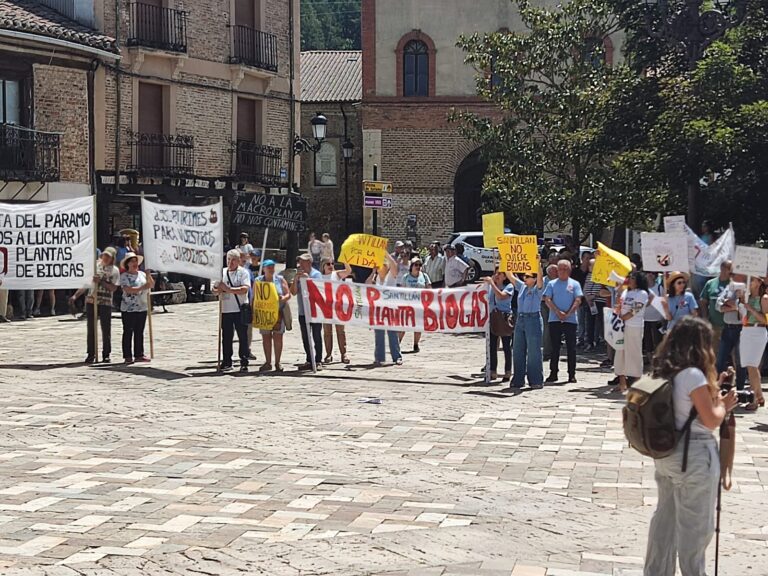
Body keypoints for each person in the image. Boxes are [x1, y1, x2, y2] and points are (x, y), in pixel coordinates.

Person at [644, 316, 738, 576]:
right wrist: (724, 406)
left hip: (666, 453)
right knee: (695, 530)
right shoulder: (693, 374)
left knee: (664, 521)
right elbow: (710, 420)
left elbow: (685, 408)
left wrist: (714, 390)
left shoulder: (663, 370)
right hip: (693, 456)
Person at [69, 247, 120, 364]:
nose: (105, 258)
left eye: (108, 256)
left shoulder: (114, 270)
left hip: (105, 301)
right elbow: (86, 284)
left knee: (105, 329)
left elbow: (113, 287)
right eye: (104, 255)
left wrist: (101, 281)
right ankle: (90, 353)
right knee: (91, 329)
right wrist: (75, 296)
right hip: (92, 300)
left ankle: (106, 354)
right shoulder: (95, 266)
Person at [543, 260, 583, 384]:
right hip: (555, 319)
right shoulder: (552, 284)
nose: (563, 271)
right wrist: (558, 312)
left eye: (565, 269)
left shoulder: (575, 284)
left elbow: (578, 299)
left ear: (569, 270)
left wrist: (568, 313)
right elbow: (547, 299)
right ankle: (553, 373)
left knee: (571, 348)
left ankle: (572, 374)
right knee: (555, 347)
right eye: (560, 269)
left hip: (570, 320)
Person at [507, 263, 545, 389]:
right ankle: (518, 379)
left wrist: (538, 265)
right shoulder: (522, 286)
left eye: (528, 276)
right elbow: (510, 276)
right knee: (518, 350)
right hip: (521, 318)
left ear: (534, 279)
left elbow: (540, 278)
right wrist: (505, 262)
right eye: (525, 276)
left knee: (533, 352)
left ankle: (535, 380)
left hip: (533, 319)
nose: (525, 278)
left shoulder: (537, 289)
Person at [214, 249, 251, 373]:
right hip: (226, 309)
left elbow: (244, 289)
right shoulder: (221, 272)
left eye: (233, 260)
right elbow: (214, 289)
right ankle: (227, 361)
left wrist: (228, 289)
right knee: (227, 337)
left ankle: (244, 361)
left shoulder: (243, 273)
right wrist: (217, 289)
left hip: (239, 309)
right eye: (228, 259)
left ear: (238, 260)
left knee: (242, 337)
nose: (230, 262)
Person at [613, 271, 649, 392]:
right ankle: (622, 383)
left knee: (634, 353)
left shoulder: (642, 293)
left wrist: (624, 317)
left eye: (633, 277)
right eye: (629, 277)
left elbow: (636, 309)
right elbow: (619, 303)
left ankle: (638, 382)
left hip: (634, 326)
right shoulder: (626, 291)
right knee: (620, 353)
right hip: (621, 326)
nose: (630, 279)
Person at [119, 252, 155, 364]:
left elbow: (151, 285)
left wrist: (148, 275)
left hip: (142, 306)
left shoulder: (142, 274)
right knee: (128, 331)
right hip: (128, 308)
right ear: (127, 264)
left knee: (139, 331)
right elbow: (128, 289)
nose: (134, 263)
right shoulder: (124, 276)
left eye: (135, 261)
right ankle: (127, 355)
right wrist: (143, 287)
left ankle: (139, 354)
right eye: (132, 261)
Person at [256, 260, 291, 373]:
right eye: (268, 267)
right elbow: (255, 297)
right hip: (264, 312)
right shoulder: (258, 281)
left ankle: (277, 362)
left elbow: (288, 294)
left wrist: (283, 298)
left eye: (272, 267)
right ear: (264, 269)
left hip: (278, 312)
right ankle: (267, 362)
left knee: (277, 337)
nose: (271, 269)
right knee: (266, 337)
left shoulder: (280, 280)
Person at [368, 253, 402, 366]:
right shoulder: (376, 278)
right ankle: (379, 357)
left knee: (392, 333)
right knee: (379, 334)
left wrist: (385, 253)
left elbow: (395, 266)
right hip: (378, 310)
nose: (379, 267)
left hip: (390, 309)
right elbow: (365, 285)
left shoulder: (391, 276)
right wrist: (373, 272)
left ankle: (397, 357)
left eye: (382, 265)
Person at [715, 273, 748, 391]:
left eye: (735, 274)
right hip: (727, 327)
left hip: (741, 329)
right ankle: (720, 386)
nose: (732, 276)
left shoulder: (747, 289)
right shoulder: (729, 288)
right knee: (720, 360)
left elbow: (745, 309)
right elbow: (718, 306)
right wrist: (734, 307)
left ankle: (740, 388)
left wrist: (732, 305)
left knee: (740, 361)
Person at [740, 276, 768, 411]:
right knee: (751, 366)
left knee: (752, 366)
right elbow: (742, 318)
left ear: (759, 282)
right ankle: (759, 395)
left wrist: (749, 308)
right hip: (746, 330)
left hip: (758, 331)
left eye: (752, 280)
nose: (749, 283)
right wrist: (740, 305)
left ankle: (755, 400)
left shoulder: (764, 298)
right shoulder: (746, 298)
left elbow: (765, 319)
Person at [291, 253, 323, 370]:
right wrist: (296, 280)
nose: (300, 264)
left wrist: (307, 279)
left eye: (303, 262)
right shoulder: (298, 275)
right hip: (303, 312)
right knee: (305, 337)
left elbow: (318, 291)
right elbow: (293, 292)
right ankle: (309, 359)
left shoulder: (316, 274)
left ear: (309, 262)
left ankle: (318, 360)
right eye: (300, 262)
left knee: (316, 336)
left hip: (315, 312)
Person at [483, 269, 515, 381]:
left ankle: (508, 371)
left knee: (506, 346)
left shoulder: (509, 286)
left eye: (499, 274)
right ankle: (492, 370)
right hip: (493, 317)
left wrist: (492, 283)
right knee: (492, 345)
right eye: (495, 273)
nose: (496, 276)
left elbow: (501, 296)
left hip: (504, 318)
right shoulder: (491, 287)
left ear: (505, 277)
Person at [321, 258, 352, 363]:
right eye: (328, 264)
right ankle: (328, 354)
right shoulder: (319, 277)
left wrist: (345, 261)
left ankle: (344, 354)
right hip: (326, 308)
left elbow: (348, 271)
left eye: (332, 263)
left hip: (338, 307)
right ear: (323, 266)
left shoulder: (336, 274)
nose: (330, 265)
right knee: (327, 332)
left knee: (341, 331)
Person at [400, 257, 431, 353]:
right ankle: (398, 343)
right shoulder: (406, 277)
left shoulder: (424, 276)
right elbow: (401, 290)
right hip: (407, 304)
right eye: (416, 265)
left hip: (420, 305)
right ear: (411, 266)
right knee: (403, 326)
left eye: (420, 265)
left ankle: (416, 344)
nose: (418, 267)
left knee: (418, 326)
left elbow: (429, 289)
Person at [699, 260, 732, 349]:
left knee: (732, 351)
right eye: (730, 269)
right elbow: (703, 301)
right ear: (722, 269)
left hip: (730, 325)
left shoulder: (733, 284)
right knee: (713, 349)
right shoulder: (710, 283)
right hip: (714, 324)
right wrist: (705, 317)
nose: (732, 272)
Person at [643, 271, 666, 366]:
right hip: (644, 318)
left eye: (652, 273)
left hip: (657, 318)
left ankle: (657, 363)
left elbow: (664, 301)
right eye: (648, 273)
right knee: (647, 341)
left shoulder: (659, 288)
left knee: (658, 341)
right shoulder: (642, 288)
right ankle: (650, 362)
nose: (650, 274)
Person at [571, 251, 591, 347]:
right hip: (578, 298)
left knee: (589, 320)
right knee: (580, 319)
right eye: (586, 258)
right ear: (582, 259)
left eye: (589, 258)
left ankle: (588, 339)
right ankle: (580, 338)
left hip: (589, 299)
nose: (588, 261)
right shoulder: (575, 271)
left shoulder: (591, 273)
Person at [542, 264, 558, 361]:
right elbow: (543, 296)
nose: (557, 273)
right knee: (547, 328)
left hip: (556, 305)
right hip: (545, 305)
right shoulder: (544, 281)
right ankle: (547, 352)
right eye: (555, 271)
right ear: (550, 272)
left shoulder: (559, 280)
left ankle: (554, 351)